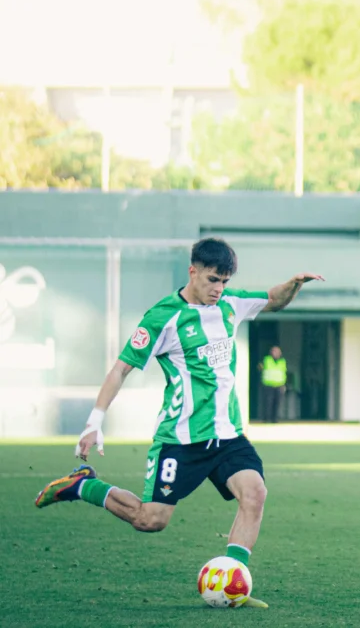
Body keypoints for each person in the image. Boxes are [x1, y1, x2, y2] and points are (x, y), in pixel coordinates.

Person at [33, 237, 323, 609]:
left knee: (255, 494)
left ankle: (231, 583)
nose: (219, 289)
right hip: (181, 441)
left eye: (225, 281)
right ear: (193, 271)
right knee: (150, 520)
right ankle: (82, 485)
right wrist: (95, 421)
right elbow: (121, 368)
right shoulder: (163, 316)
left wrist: (294, 283)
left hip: (228, 437)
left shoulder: (231, 304)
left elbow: (273, 299)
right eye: (212, 280)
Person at [258, 346, 287, 423]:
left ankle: (275, 419)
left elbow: (283, 373)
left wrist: (284, 385)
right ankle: (266, 418)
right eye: (274, 351)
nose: (275, 353)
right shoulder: (266, 359)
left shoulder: (282, 361)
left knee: (277, 403)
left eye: (277, 351)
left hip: (279, 385)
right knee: (268, 402)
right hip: (268, 384)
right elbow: (259, 367)